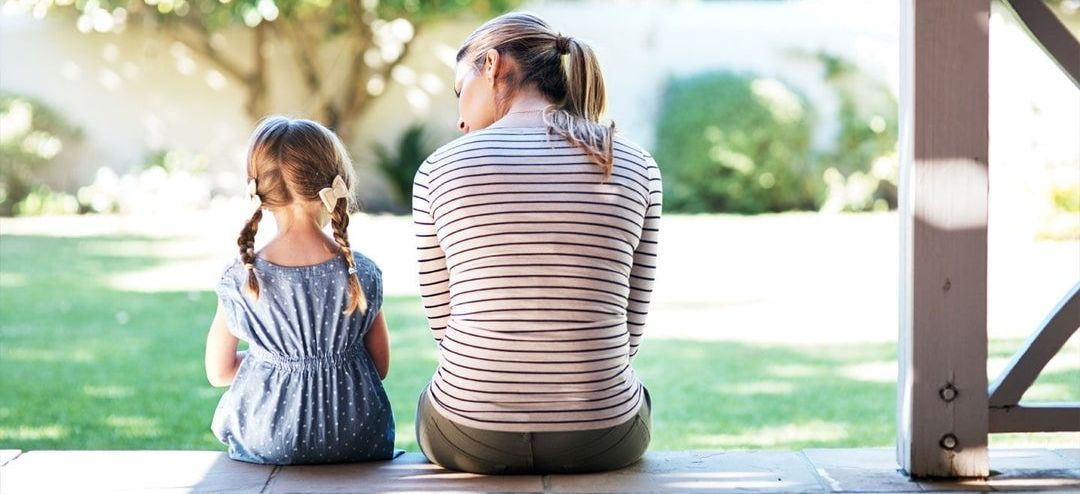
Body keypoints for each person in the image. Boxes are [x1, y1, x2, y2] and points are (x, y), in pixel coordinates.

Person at [412, 13, 662, 474]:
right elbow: (630, 329)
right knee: (635, 394)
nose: (460, 117)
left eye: (458, 91)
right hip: (602, 435)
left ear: (491, 65)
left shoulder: (438, 169)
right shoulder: (634, 163)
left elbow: (445, 328)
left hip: (469, 435)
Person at [205, 116, 396, 465]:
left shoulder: (242, 277)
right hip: (357, 437)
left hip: (269, 438)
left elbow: (219, 372)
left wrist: (272, 362)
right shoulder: (362, 272)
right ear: (336, 183)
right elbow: (380, 366)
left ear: (258, 191)